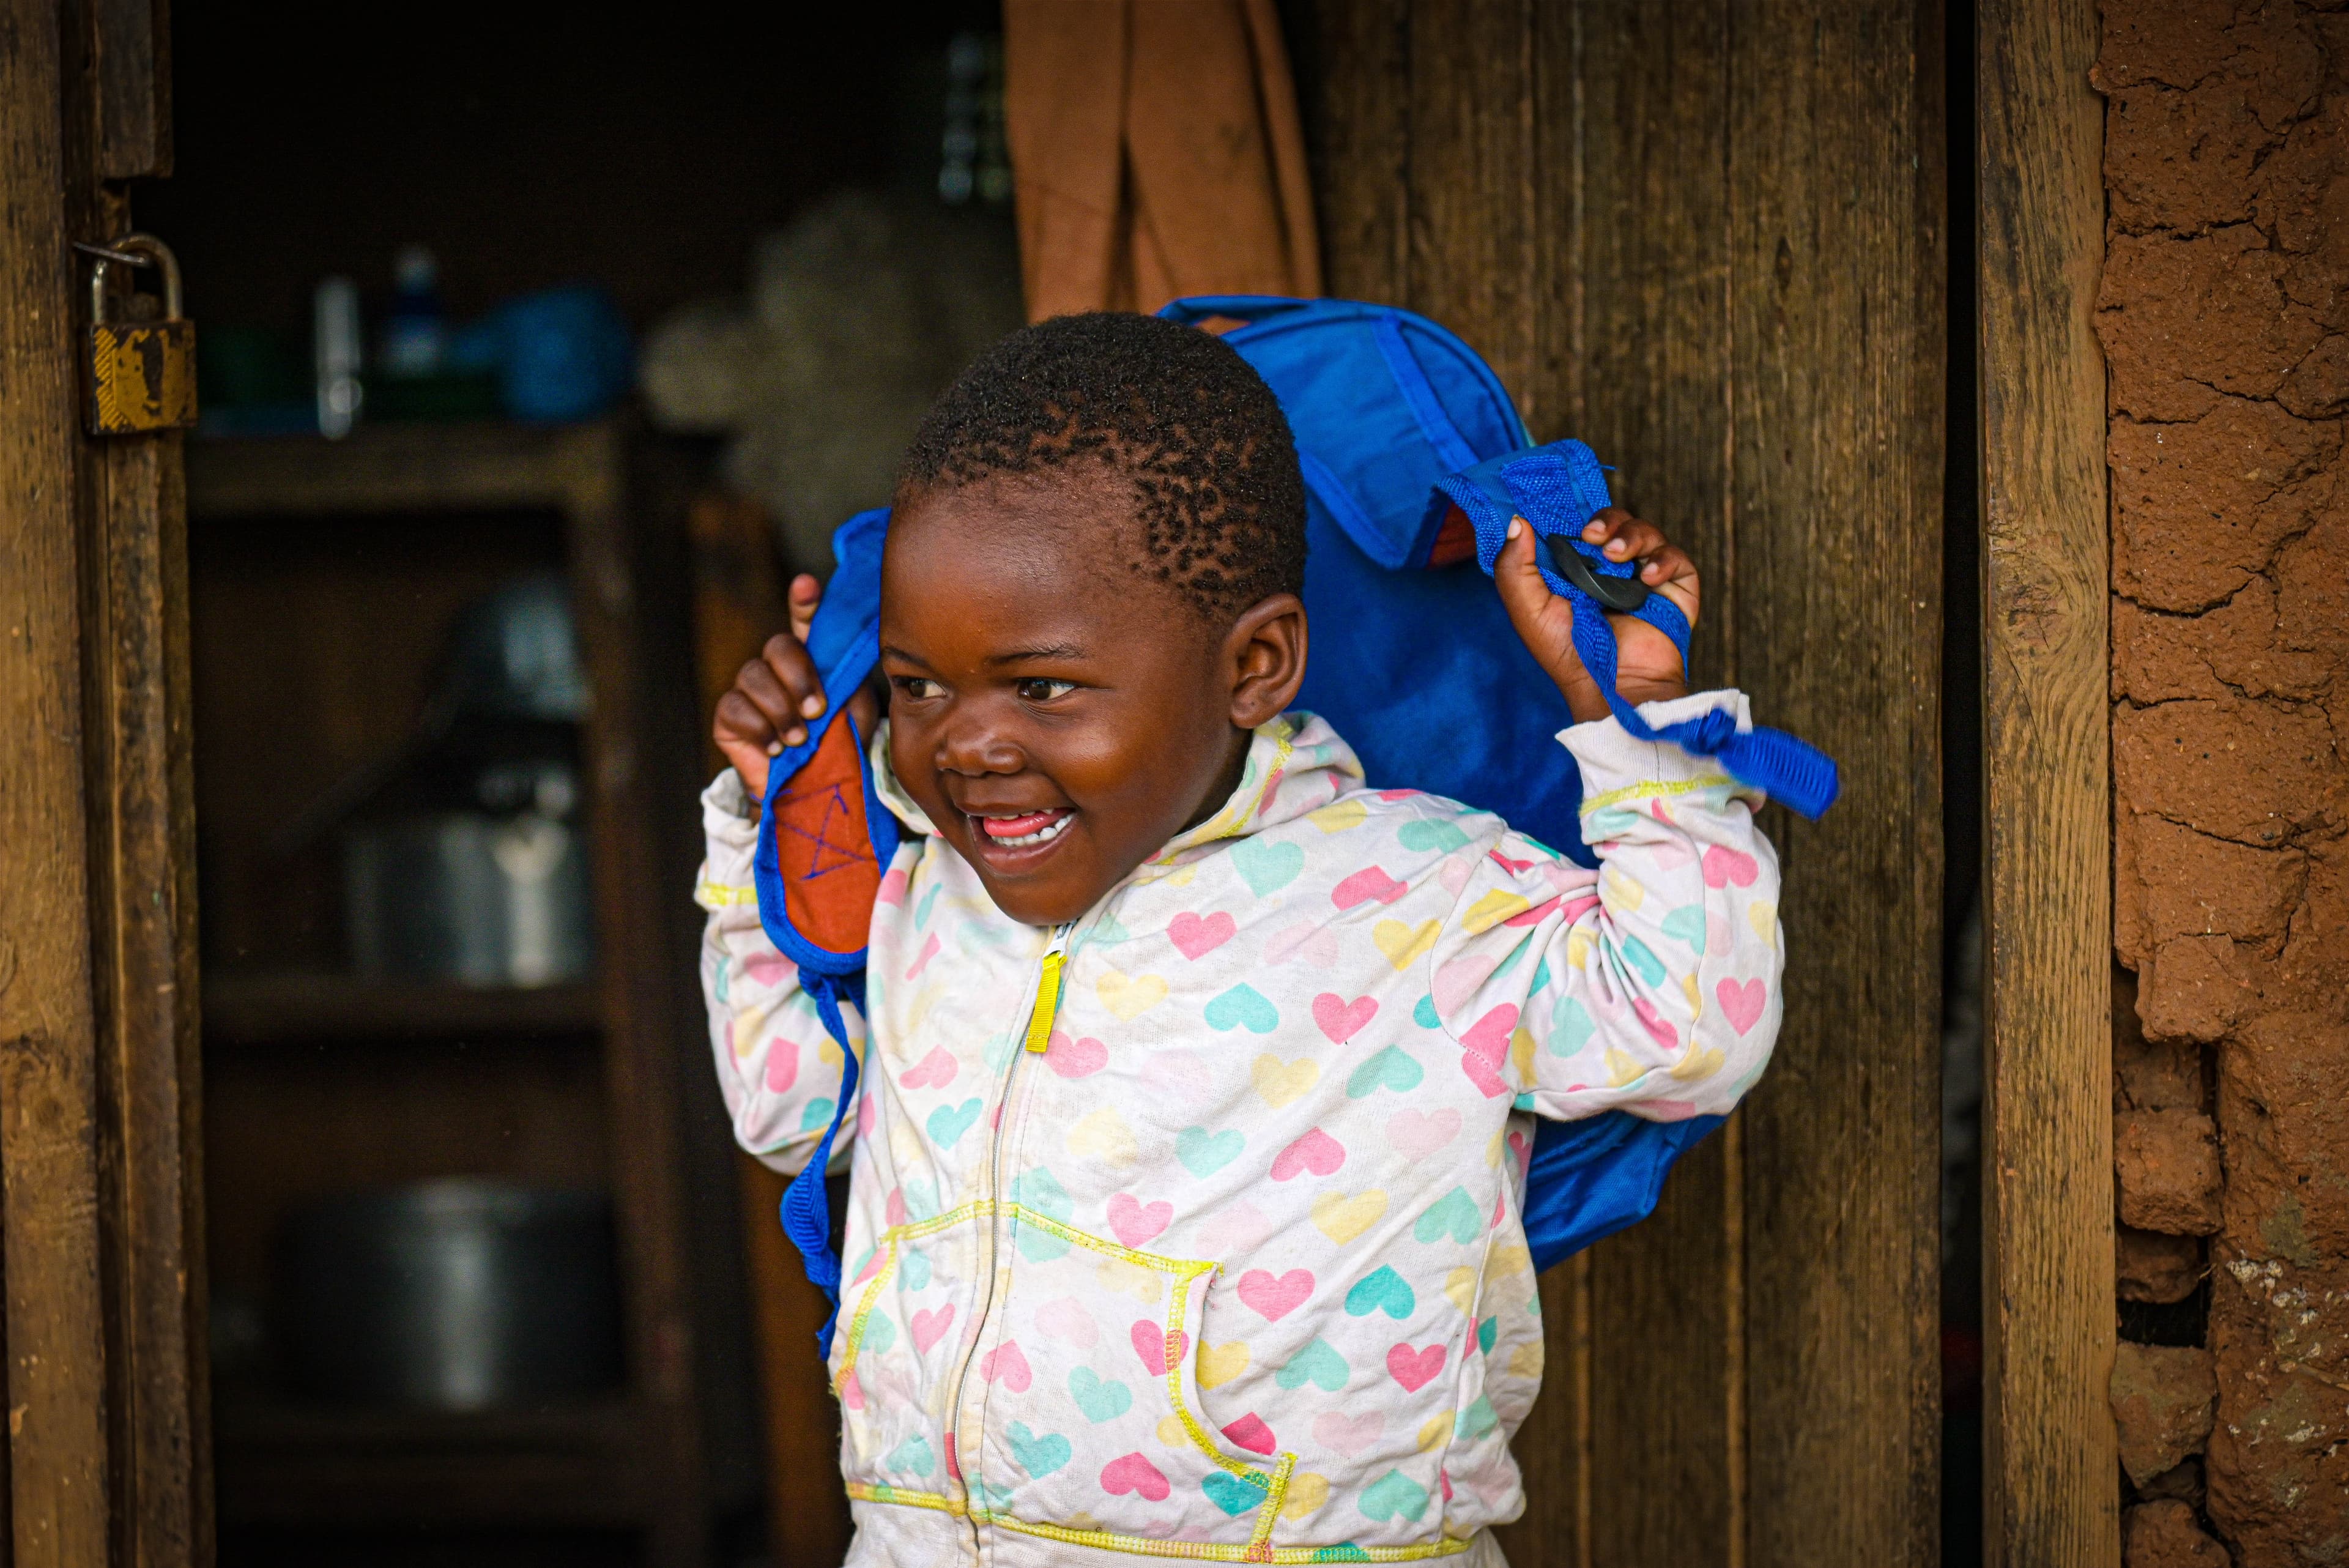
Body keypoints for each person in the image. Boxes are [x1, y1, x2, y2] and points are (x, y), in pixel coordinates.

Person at [696, 312, 1782, 1567]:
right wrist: (760, 822)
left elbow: (1692, 1025)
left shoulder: (1416, 895)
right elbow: (791, 1112)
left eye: (1041, 685)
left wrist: (1640, 728)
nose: (967, 744)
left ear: (1256, 662)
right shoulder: (929, 886)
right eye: (922, 684)